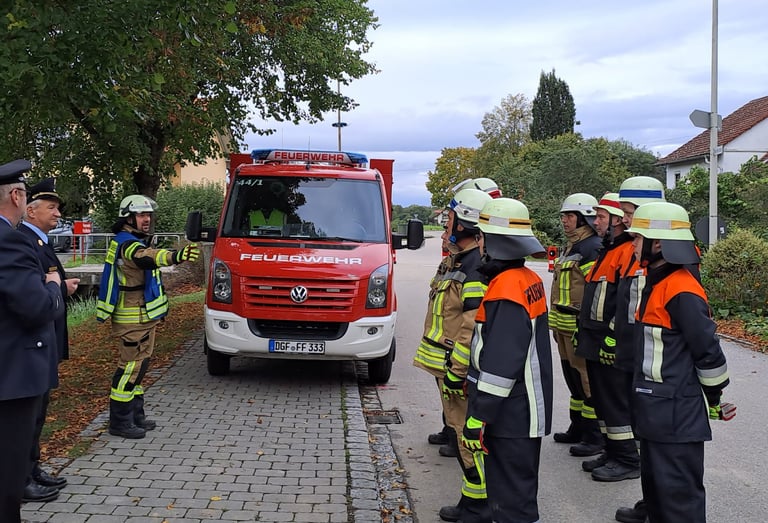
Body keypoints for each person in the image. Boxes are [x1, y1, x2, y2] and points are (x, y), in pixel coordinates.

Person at [626, 202, 733, 523]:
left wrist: (714, 397)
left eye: (636, 237)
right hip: (657, 412)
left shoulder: (681, 288)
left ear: (658, 243)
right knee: (659, 496)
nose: (631, 244)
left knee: (679, 504)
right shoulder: (658, 281)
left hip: (675, 416)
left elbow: (709, 352)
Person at [462, 197, 553, 523]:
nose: (480, 242)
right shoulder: (527, 280)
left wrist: (478, 417)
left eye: (483, 235)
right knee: (518, 494)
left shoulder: (506, 288)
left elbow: (501, 366)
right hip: (522, 409)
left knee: (511, 502)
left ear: (496, 241)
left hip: (511, 413)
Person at [413, 188, 493, 523]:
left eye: (450, 218)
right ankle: (471, 500)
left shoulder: (474, 268)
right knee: (461, 435)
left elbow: (470, 325)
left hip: (457, 370)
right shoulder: (459, 261)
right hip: (448, 368)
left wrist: (456, 370)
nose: (446, 224)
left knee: (467, 438)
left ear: (464, 224)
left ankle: (480, 506)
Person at [96, 194, 200, 439]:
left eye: (149, 215)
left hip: (143, 316)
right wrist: (176, 256)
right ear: (128, 218)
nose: (147, 219)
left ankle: (135, 416)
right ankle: (120, 422)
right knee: (130, 367)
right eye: (142, 215)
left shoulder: (134, 240)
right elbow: (145, 258)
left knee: (140, 367)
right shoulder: (127, 244)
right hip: (131, 317)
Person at [0, 159, 63, 523]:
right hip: (13, 378)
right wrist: (52, 288)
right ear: (17, 195)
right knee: (8, 480)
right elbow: (36, 308)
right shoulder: (9, 241)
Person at [18, 178, 80, 503]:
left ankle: (33, 468)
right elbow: (35, 294)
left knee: (39, 411)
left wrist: (60, 287)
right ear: (31, 210)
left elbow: (47, 284)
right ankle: (24, 477)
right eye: (51, 207)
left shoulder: (39, 242)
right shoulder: (24, 241)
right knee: (31, 413)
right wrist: (57, 287)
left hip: (47, 340)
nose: (58, 213)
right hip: (35, 343)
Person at [610, 176, 666, 523]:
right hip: (638, 359)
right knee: (647, 440)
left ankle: (659, 507)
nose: (624, 219)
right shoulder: (638, 249)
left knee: (658, 445)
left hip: (655, 367)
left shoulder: (663, 254)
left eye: (629, 212)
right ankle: (652, 503)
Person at [576, 192, 641, 482]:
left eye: (602, 216)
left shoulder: (627, 251)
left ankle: (627, 458)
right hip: (595, 339)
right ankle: (613, 451)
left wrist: (612, 339)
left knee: (615, 401)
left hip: (608, 342)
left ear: (618, 220)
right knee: (602, 400)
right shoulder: (609, 249)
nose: (596, 221)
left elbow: (626, 302)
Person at [548, 194, 602, 448]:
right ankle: (577, 426)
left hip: (578, 327)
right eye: (563, 216)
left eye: (569, 216)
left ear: (583, 219)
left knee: (586, 379)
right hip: (563, 327)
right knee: (572, 379)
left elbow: (594, 290)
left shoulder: (592, 247)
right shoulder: (571, 246)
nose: (564, 221)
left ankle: (594, 435)